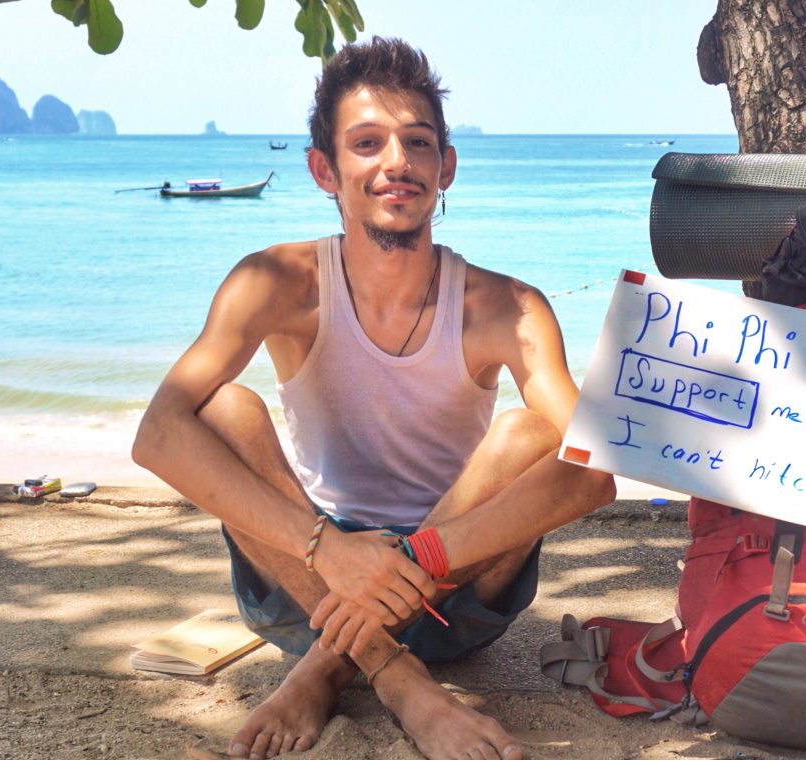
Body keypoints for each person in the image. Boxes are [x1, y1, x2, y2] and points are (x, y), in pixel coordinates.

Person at [133, 36, 615, 760]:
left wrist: (417, 559)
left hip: (455, 590)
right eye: (367, 143)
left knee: (532, 434)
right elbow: (159, 434)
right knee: (222, 409)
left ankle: (322, 671)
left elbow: (594, 468)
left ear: (445, 166)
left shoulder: (506, 306)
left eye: (417, 142)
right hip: (305, 579)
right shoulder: (274, 281)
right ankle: (401, 681)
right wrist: (329, 549)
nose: (396, 162)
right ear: (324, 170)